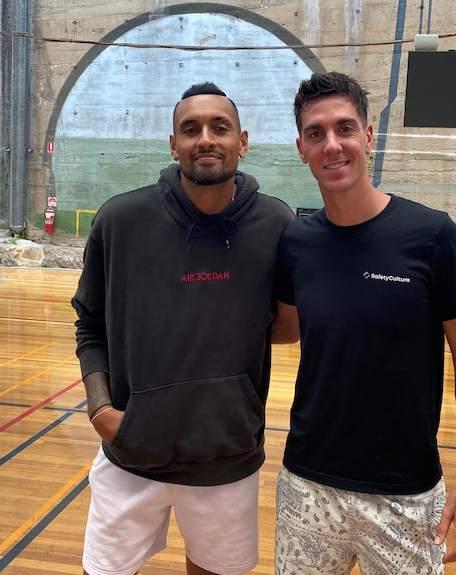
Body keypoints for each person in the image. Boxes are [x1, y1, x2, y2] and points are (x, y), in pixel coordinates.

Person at [71, 81, 298, 575]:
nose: (205, 139)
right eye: (190, 129)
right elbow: (90, 323)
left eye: (220, 127)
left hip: (226, 457)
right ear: (173, 145)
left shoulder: (277, 224)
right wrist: (100, 410)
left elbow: (284, 326)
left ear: (243, 140)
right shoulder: (120, 220)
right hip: (130, 452)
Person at [274, 71, 456, 574]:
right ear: (301, 149)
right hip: (307, 486)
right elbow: (282, 328)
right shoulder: (295, 243)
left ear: (368, 136)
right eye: (316, 134)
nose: (332, 145)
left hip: (406, 497)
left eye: (345, 128)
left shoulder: (432, 236)